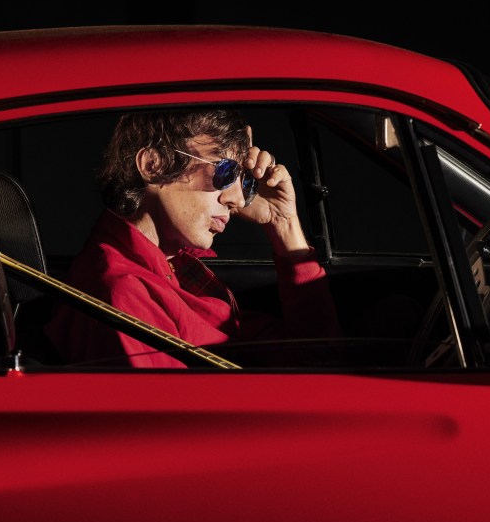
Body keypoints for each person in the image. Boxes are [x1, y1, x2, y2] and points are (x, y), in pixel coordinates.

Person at [45, 109, 340, 367]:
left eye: (245, 181)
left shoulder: (179, 268)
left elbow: (312, 360)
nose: (237, 199)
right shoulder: (123, 294)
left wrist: (284, 223)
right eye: (225, 172)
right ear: (153, 166)